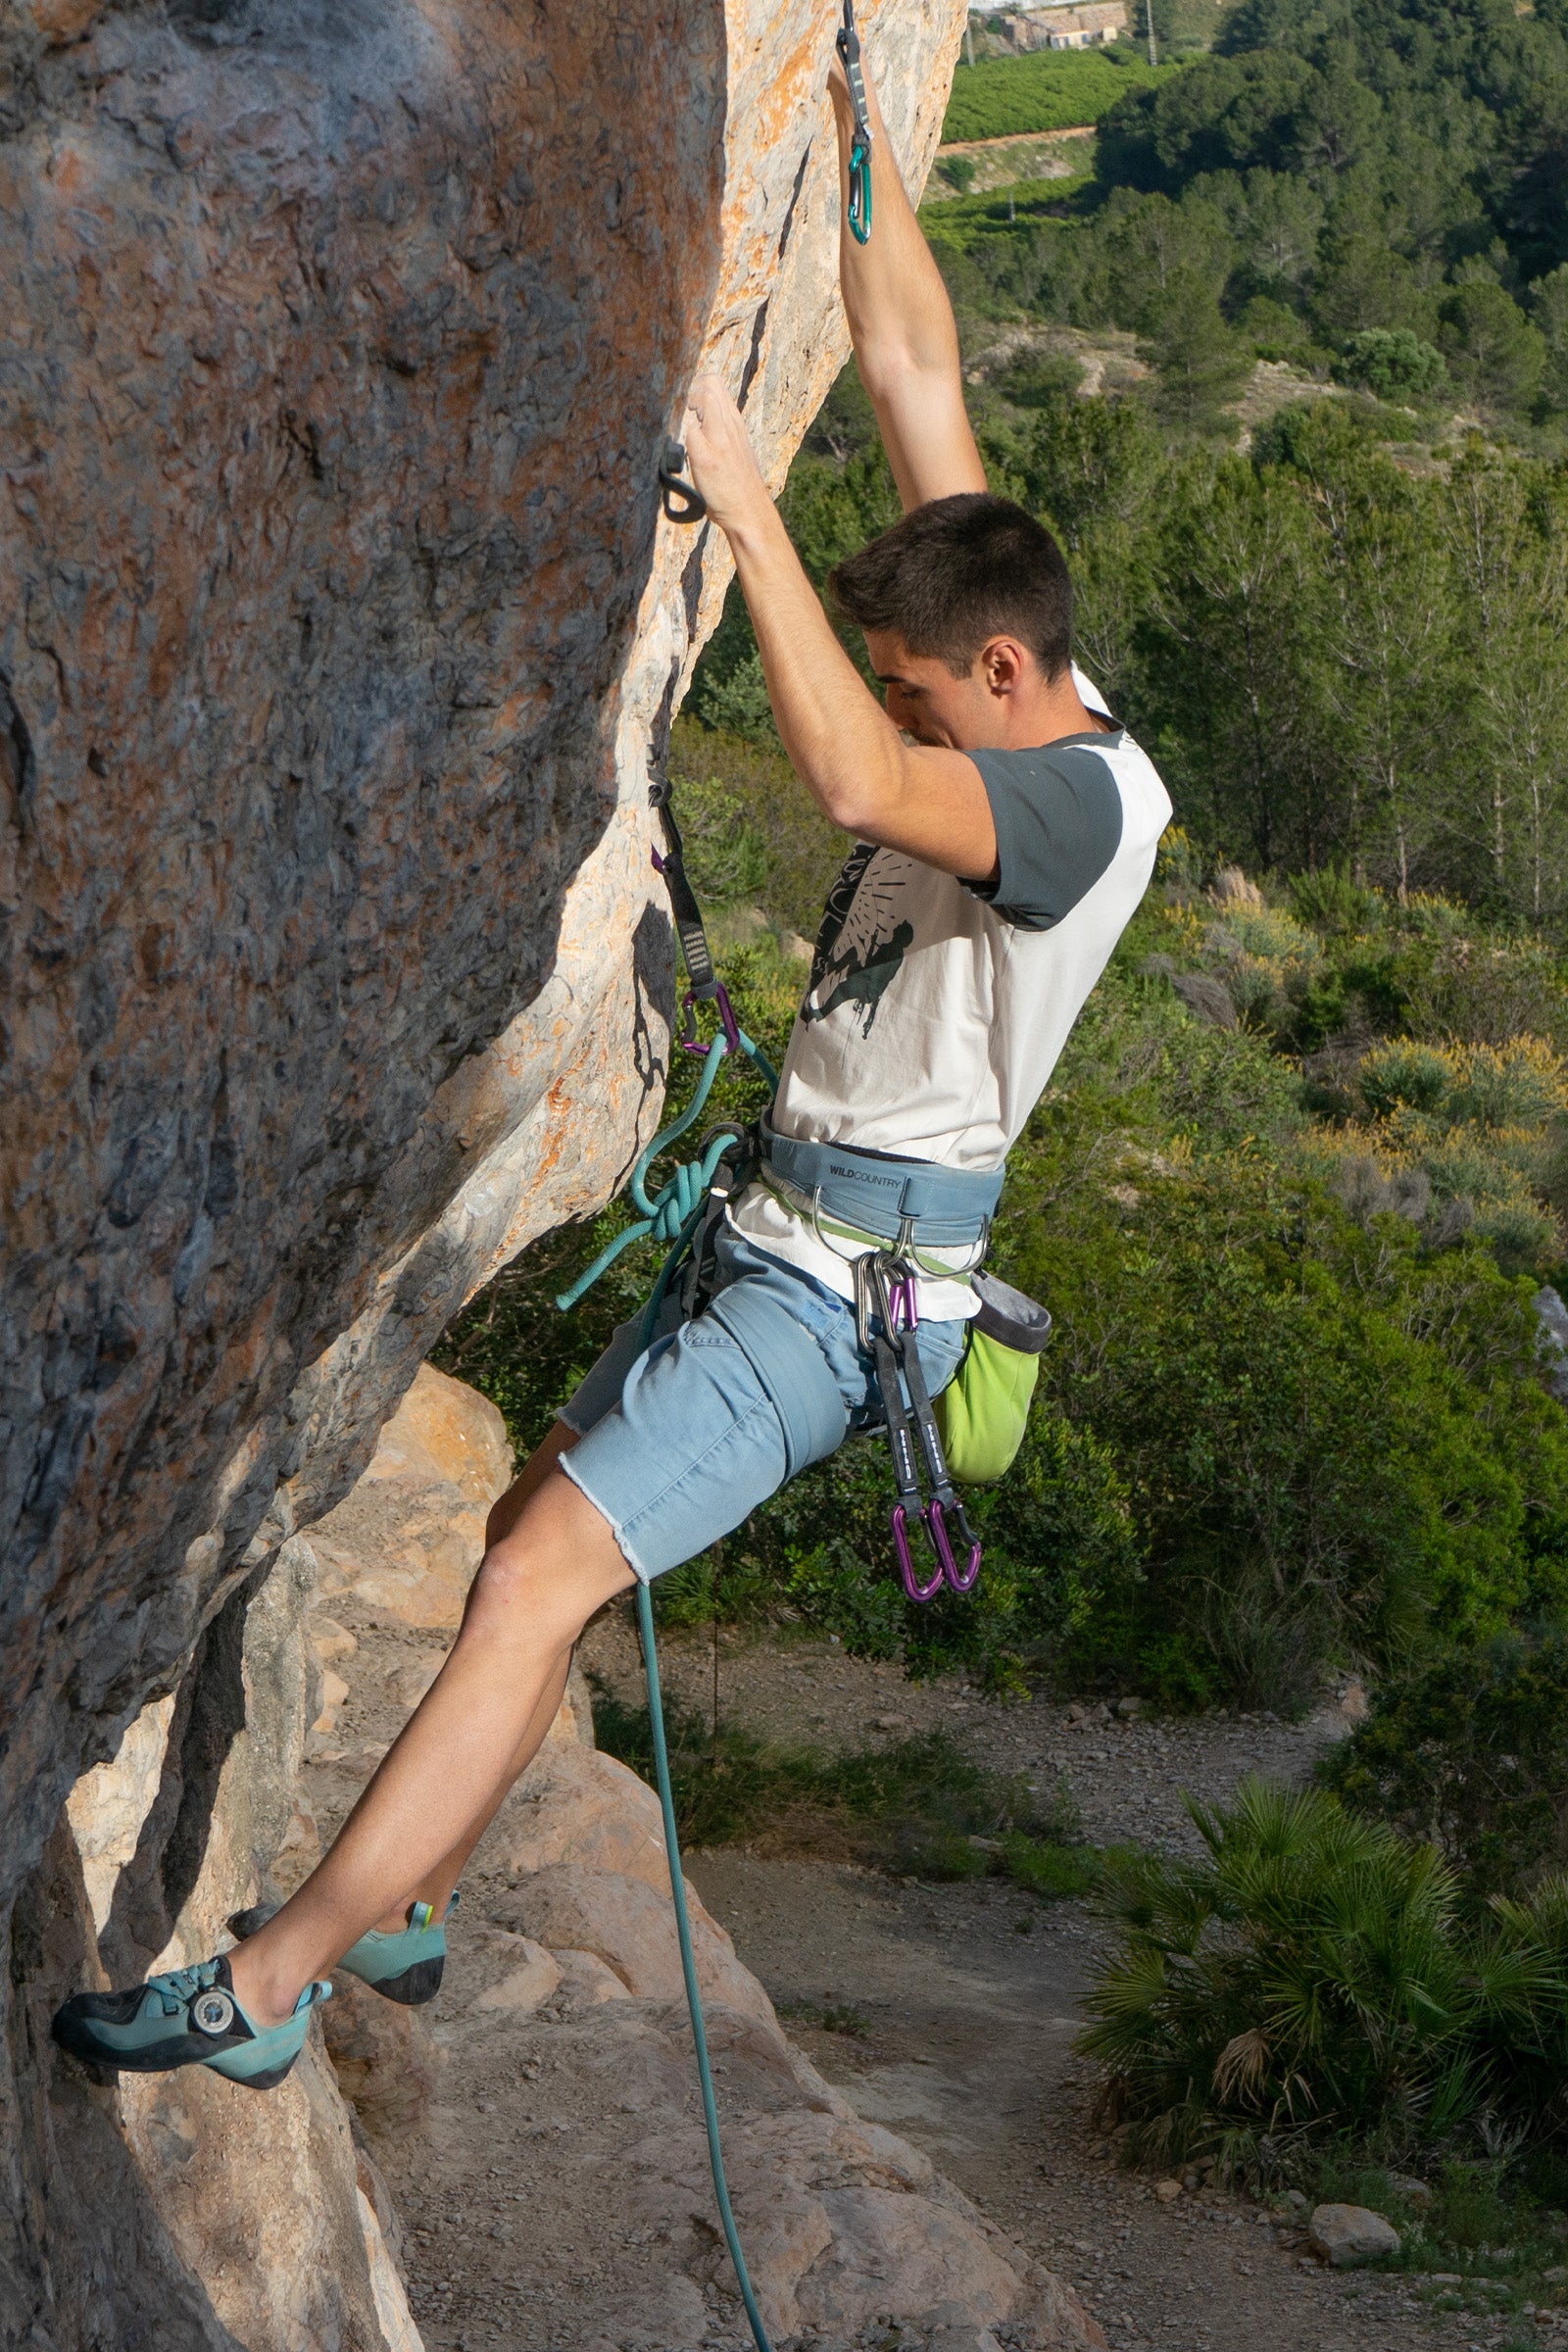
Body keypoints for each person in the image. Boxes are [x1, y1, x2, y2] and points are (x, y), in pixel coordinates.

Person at [53, 56, 1171, 2088]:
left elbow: (846, 767)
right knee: (543, 1552)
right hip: (796, 1238)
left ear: (997, 679)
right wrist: (853, 129)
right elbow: (916, 359)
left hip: (831, 1298)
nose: (910, 715)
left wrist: (743, 507)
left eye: (928, 688)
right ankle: (394, 1905)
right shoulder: (1015, 656)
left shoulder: (1079, 811)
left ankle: (274, 1981)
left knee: (526, 1576)